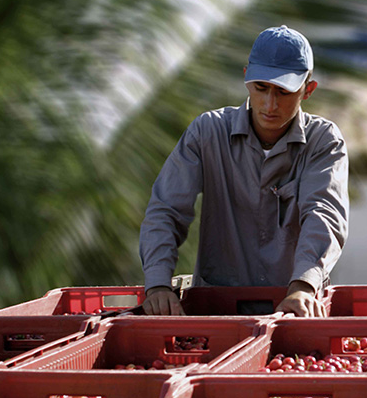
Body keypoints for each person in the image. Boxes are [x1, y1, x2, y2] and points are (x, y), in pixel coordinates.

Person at [138, 25, 349, 316]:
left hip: (292, 312)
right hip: (215, 311)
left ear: (308, 90)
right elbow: (166, 209)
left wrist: (303, 285)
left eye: (283, 91)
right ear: (246, 78)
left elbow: (324, 214)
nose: (269, 104)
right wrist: (158, 285)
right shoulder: (207, 132)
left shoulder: (324, 141)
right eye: (261, 88)